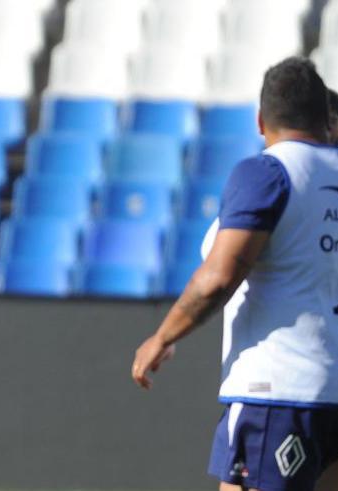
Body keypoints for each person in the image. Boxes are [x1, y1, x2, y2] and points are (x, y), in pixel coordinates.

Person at [131, 56, 338, 491]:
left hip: (281, 391)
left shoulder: (269, 172)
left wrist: (162, 336)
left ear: (261, 121)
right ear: (325, 119)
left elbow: (218, 277)